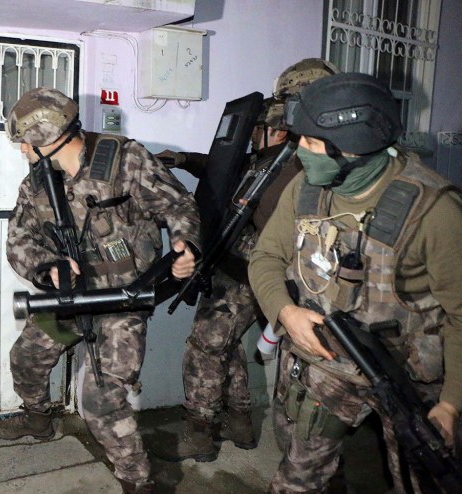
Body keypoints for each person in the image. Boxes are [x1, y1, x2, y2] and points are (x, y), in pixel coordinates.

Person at [248, 71, 462, 493]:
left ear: (354, 146)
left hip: (411, 378)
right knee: (296, 480)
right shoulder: (305, 189)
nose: (299, 152)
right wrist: (286, 312)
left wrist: (452, 403)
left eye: (310, 143)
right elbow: (265, 258)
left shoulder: (436, 211)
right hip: (331, 362)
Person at [0, 87, 200, 493]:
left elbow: (179, 206)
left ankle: (137, 482)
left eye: (24, 140)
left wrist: (185, 245)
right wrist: (47, 268)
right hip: (73, 298)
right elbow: (19, 240)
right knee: (26, 357)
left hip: (124, 300)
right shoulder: (36, 184)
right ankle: (38, 417)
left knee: (102, 403)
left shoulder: (126, 160)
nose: (20, 149)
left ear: (47, 137)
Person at [151, 59, 338, 463]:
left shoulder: (294, 166)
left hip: (259, 278)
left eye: (260, 130)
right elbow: (225, 168)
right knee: (227, 344)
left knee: (204, 346)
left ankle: (200, 432)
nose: (253, 137)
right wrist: (183, 160)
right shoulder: (267, 160)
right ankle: (240, 423)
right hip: (236, 271)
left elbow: (278, 238)